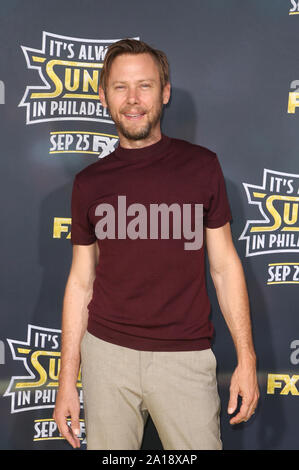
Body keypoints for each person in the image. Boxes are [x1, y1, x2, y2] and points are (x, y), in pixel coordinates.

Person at [53, 38, 259, 450]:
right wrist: (66, 381)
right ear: (102, 96)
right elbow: (80, 282)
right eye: (120, 87)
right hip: (107, 357)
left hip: (185, 358)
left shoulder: (202, 167)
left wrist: (247, 358)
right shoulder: (89, 184)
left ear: (165, 93)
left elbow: (223, 266)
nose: (133, 100)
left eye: (145, 86)